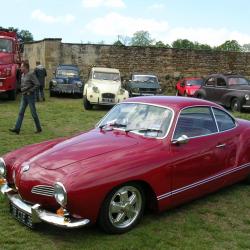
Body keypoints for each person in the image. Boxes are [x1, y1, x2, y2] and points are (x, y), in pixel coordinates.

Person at [9, 60, 42, 134]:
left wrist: (30, 91)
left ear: (26, 68)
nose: (20, 68)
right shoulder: (23, 75)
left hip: (30, 97)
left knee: (33, 113)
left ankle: (39, 128)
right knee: (21, 112)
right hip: (24, 96)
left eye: (22, 67)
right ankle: (17, 129)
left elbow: (37, 84)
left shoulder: (31, 74)